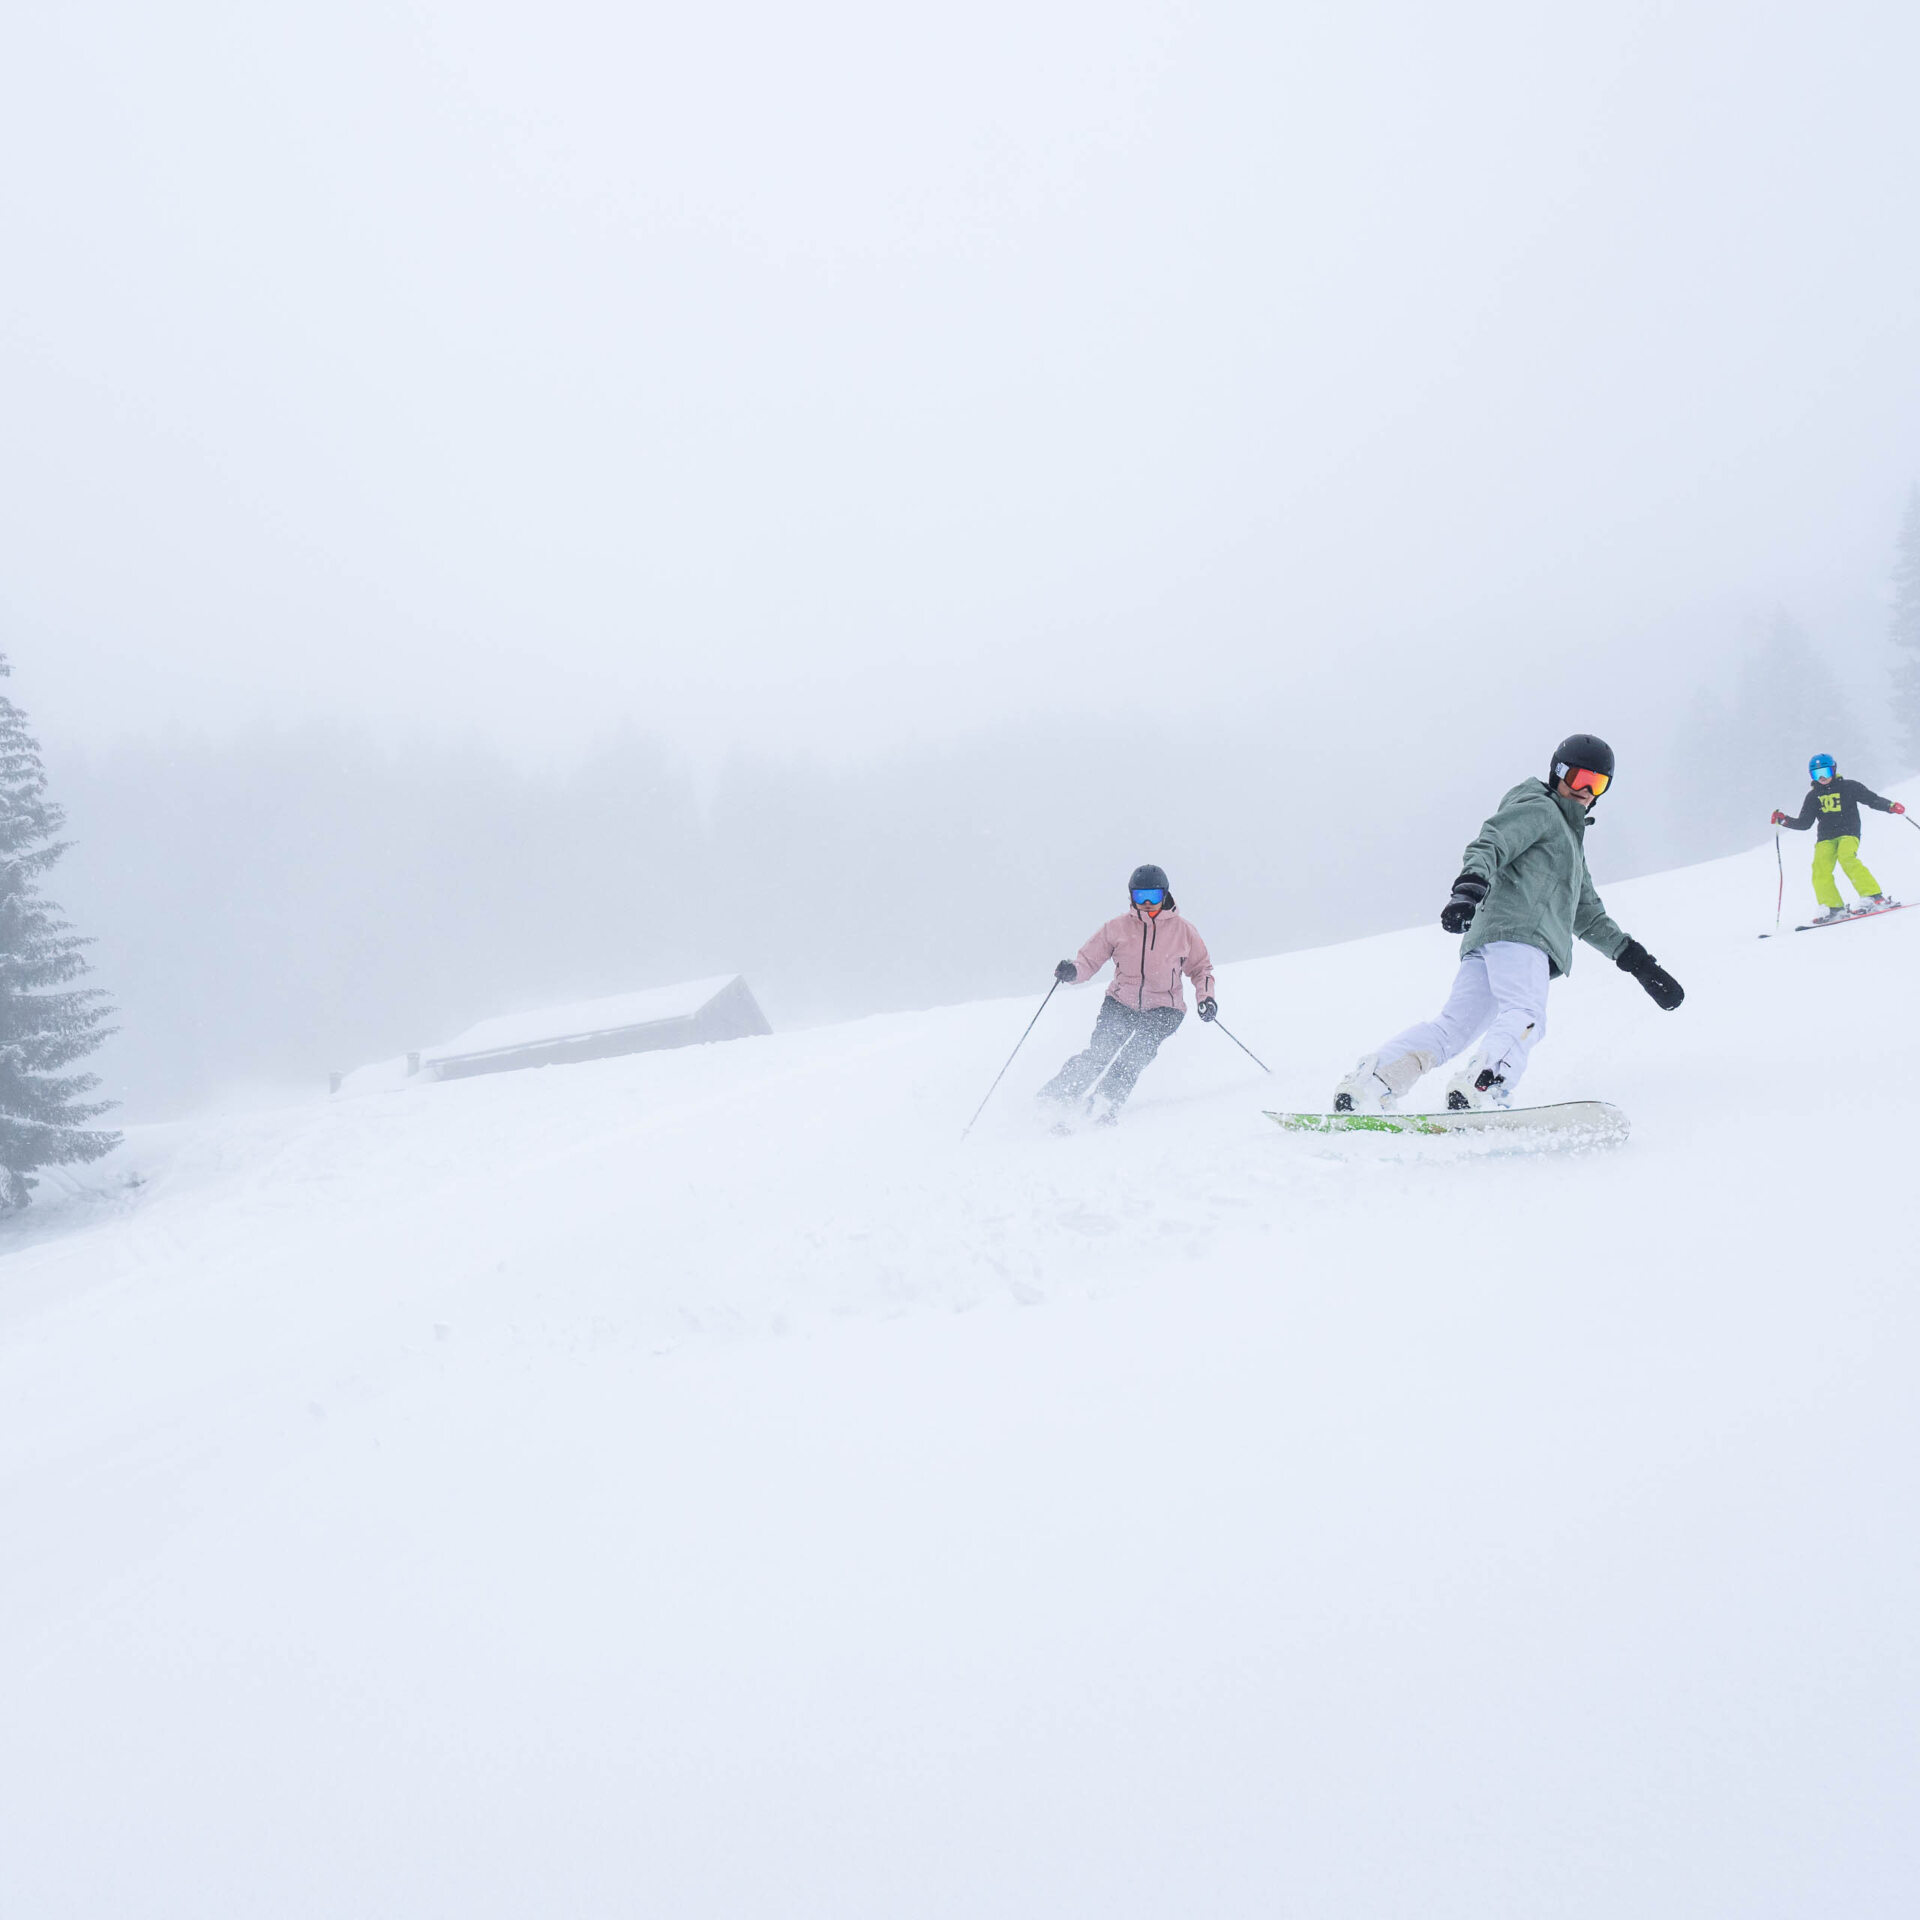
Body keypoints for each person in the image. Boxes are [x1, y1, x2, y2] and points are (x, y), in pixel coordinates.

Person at [1333, 734, 1684, 1114]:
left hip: (1492, 939)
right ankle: (1483, 1085)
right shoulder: (1541, 809)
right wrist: (1468, 888)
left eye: (1596, 784)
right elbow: (1493, 842)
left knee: (1453, 1028)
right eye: (1580, 778)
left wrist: (1638, 963)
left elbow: (1588, 914)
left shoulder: (1570, 846)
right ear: (1558, 773)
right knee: (1527, 1014)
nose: (1585, 790)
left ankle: (1372, 1083)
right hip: (1523, 936)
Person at [1040, 864, 1217, 1122]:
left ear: (1165, 895)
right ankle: (1055, 1099)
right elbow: (1088, 961)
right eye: (1139, 896)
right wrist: (1073, 971)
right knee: (1099, 1053)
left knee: (1133, 1056)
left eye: (1154, 896)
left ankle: (1104, 1101)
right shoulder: (1117, 928)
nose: (1147, 903)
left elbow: (1201, 969)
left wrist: (1206, 999)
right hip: (1121, 1002)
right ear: (1131, 896)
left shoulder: (1184, 931)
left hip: (1165, 1009)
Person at [1771, 754, 1904, 924]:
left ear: (1834, 769)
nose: (1822, 778)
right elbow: (1805, 823)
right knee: (1820, 868)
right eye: (1816, 774)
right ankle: (1833, 906)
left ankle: (1873, 897)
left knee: (1846, 857)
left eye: (1825, 772)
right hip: (1826, 837)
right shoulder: (1813, 797)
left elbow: (1871, 799)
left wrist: (1890, 806)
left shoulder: (1848, 786)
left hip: (1848, 831)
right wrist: (1784, 820)